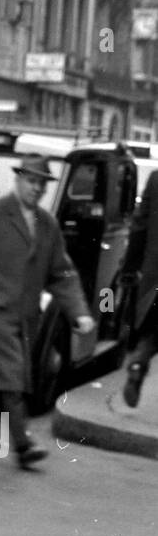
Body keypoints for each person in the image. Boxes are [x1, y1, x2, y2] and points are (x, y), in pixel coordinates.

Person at [0, 153, 94, 467]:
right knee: (12, 376)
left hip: (23, 318)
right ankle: (23, 446)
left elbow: (62, 273)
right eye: (31, 181)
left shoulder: (47, 224)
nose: (37, 188)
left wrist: (79, 311)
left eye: (42, 183)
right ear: (18, 179)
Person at [117, 169, 158, 407]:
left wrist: (129, 268)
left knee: (152, 333)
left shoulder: (155, 179)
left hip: (155, 278)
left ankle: (138, 363)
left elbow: (139, 227)